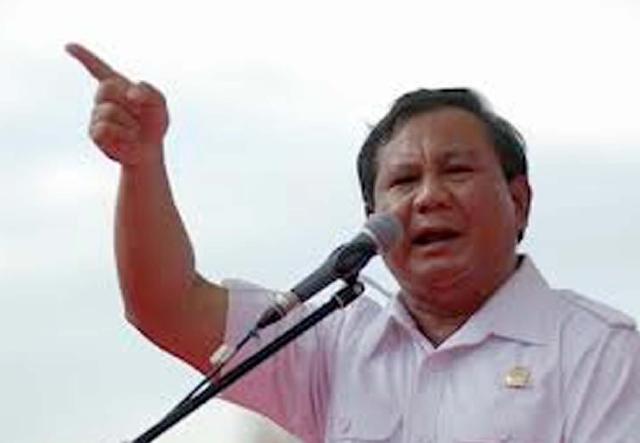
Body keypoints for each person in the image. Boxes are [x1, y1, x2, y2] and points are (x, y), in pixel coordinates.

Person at [67, 43, 640, 442]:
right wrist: (141, 165)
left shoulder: (600, 350)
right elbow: (166, 305)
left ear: (518, 201)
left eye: (457, 171)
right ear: (372, 220)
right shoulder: (335, 344)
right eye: (404, 180)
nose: (428, 196)